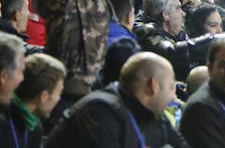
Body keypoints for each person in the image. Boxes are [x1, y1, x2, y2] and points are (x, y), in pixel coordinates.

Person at [46, 52, 184, 148]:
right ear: (153, 85)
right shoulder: (99, 113)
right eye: (171, 87)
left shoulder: (153, 113)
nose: (173, 96)